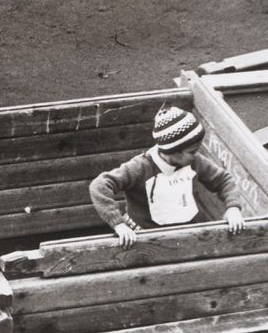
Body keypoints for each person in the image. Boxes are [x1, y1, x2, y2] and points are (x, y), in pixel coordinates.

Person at [88, 103, 245, 248]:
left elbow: (223, 179)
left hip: (184, 231)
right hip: (145, 236)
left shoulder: (194, 162)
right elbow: (100, 185)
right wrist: (118, 224)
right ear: (174, 152)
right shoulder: (141, 167)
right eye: (192, 151)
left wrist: (233, 207)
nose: (195, 155)